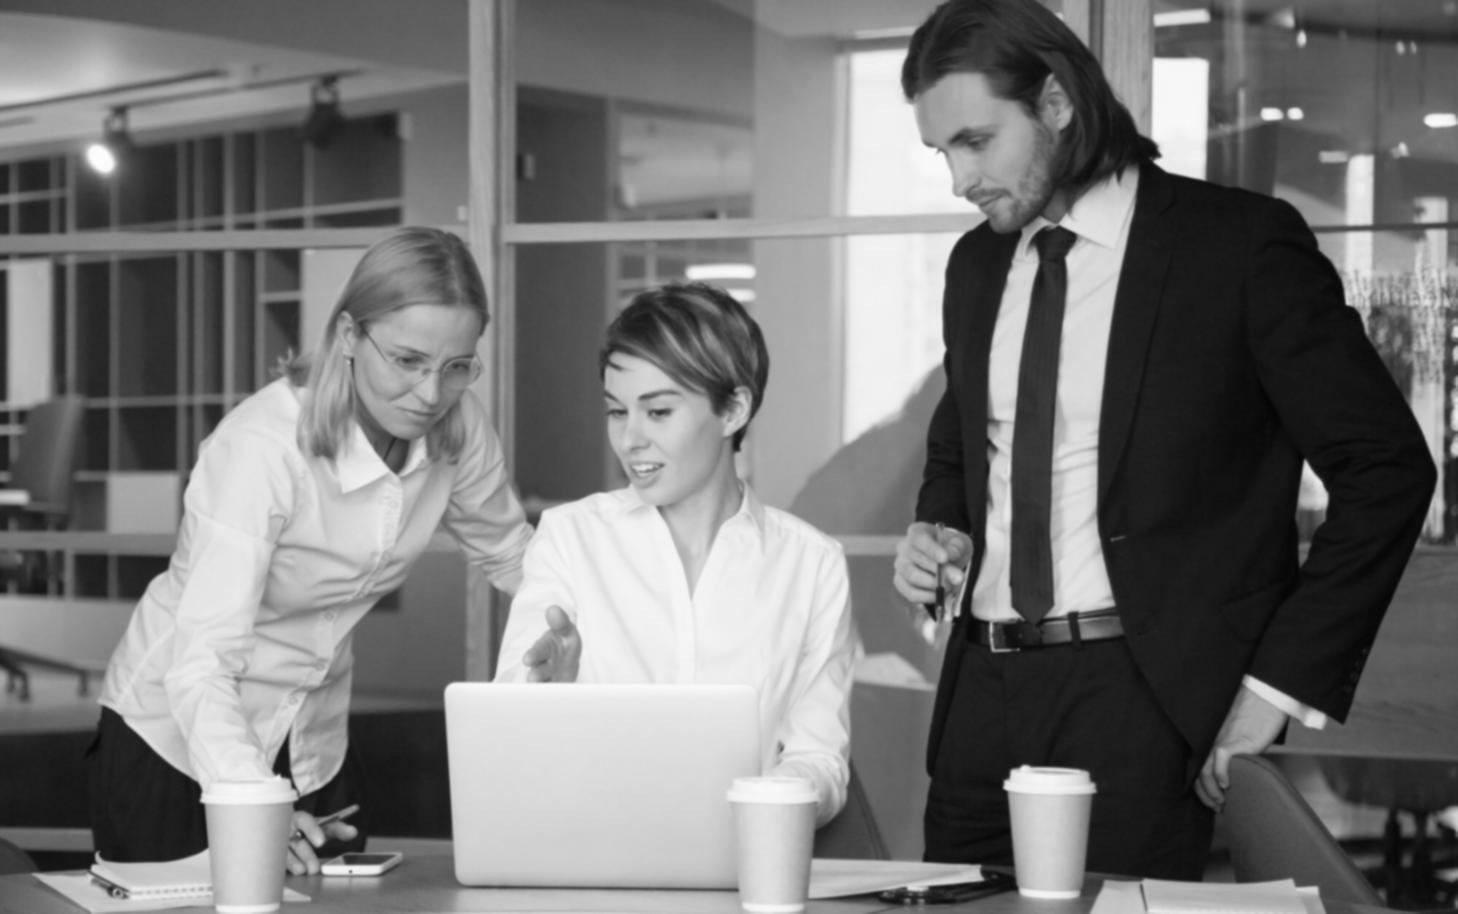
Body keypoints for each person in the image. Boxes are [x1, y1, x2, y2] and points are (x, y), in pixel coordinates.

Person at [891, 0, 1436, 879]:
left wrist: (1273, 688)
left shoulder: (1239, 248)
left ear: (1059, 102)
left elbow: (1387, 470)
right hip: (978, 704)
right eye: (942, 151)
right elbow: (962, 446)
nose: (959, 179)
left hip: (1139, 701)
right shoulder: (976, 265)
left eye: (976, 141)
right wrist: (938, 529)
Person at [90, 227, 532, 872]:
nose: (432, 394)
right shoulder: (262, 450)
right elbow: (202, 662)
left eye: (457, 366)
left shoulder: (458, 430)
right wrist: (255, 805)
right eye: (407, 361)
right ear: (350, 336)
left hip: (312, 736)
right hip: (178, 735)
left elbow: (513, 555)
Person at [494, 282, 859, 826]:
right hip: (593, 867)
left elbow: (821, 759)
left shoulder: (811, 565)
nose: (629, 440)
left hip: (742, 873)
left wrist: (755, 806)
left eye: (658, 412)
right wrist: (549, 693)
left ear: (733, 410)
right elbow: (505, 743)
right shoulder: (570, 538)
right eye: (617, 412)